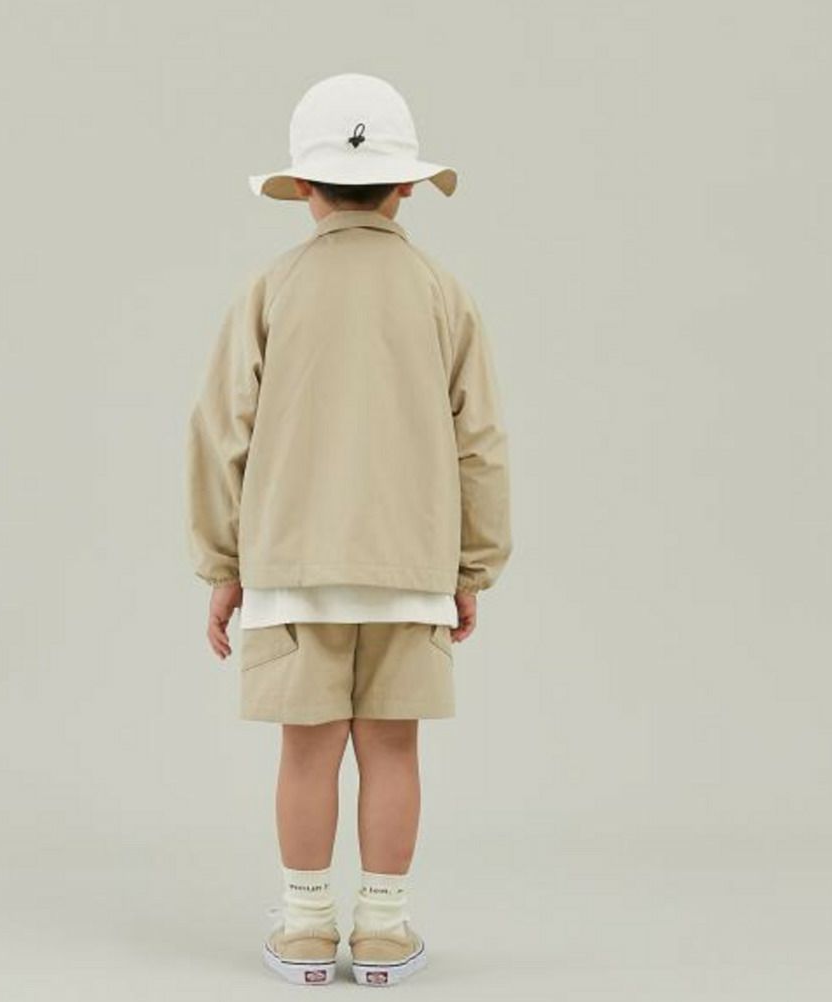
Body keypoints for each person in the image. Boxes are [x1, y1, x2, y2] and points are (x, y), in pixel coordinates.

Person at [185, 72, 512, 987]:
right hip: (411, 566)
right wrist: (471, 568)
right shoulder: (443, 292)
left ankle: (303, 928)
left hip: (290, 567)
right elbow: (480, 442)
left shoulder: (271, 289)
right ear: (407, 184)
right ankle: (382, 930)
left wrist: (223, 564)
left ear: (303, 187)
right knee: (394, 748)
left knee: (306, 750)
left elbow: (220, 433)